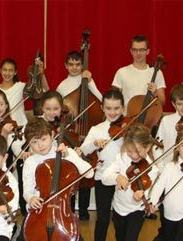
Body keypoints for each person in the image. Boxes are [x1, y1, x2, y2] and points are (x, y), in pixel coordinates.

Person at [75, 89, 125, 241]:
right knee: (102, 218)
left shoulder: (128, 127)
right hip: (102, 177)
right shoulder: (96, 129)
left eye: (117, 108)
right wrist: (95, 143)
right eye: (108, 108)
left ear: (123, 107)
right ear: (102, 108)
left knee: (120, 218)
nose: (113, 112)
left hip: (123, 177)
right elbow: (82, 150)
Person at [102, 124, 160, 241]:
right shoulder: (121, 158)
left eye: (137, 151)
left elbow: (147, 194)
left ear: (147, 147)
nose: (133, 155)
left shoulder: (152, 169)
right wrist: (117, 177)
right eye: (129, 151)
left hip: (136, 211)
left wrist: (138, 197)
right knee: (120, 237)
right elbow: (104, 178)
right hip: (119, 207)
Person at [111, 34, 166, 113]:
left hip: (148, 119)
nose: (138, 53)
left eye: (142, 50)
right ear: (131, 51)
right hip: (127, 119)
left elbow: (163, 102)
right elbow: (113, 99)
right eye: (135, 50)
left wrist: (155, 93)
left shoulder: (157, 72)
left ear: (147, 51)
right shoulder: (122, 72)